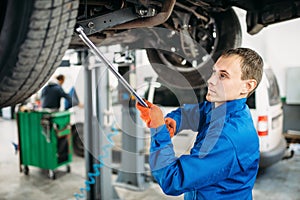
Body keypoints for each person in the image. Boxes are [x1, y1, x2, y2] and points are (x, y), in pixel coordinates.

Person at [136, 47, 264, 199]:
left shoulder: (227, 137)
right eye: (214, 72)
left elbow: (173, 180)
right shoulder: (224, 108)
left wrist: (158, 130)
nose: (210, 81)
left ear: (247, 86)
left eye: (223, 76)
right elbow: (197, 113)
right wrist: (175, 121)